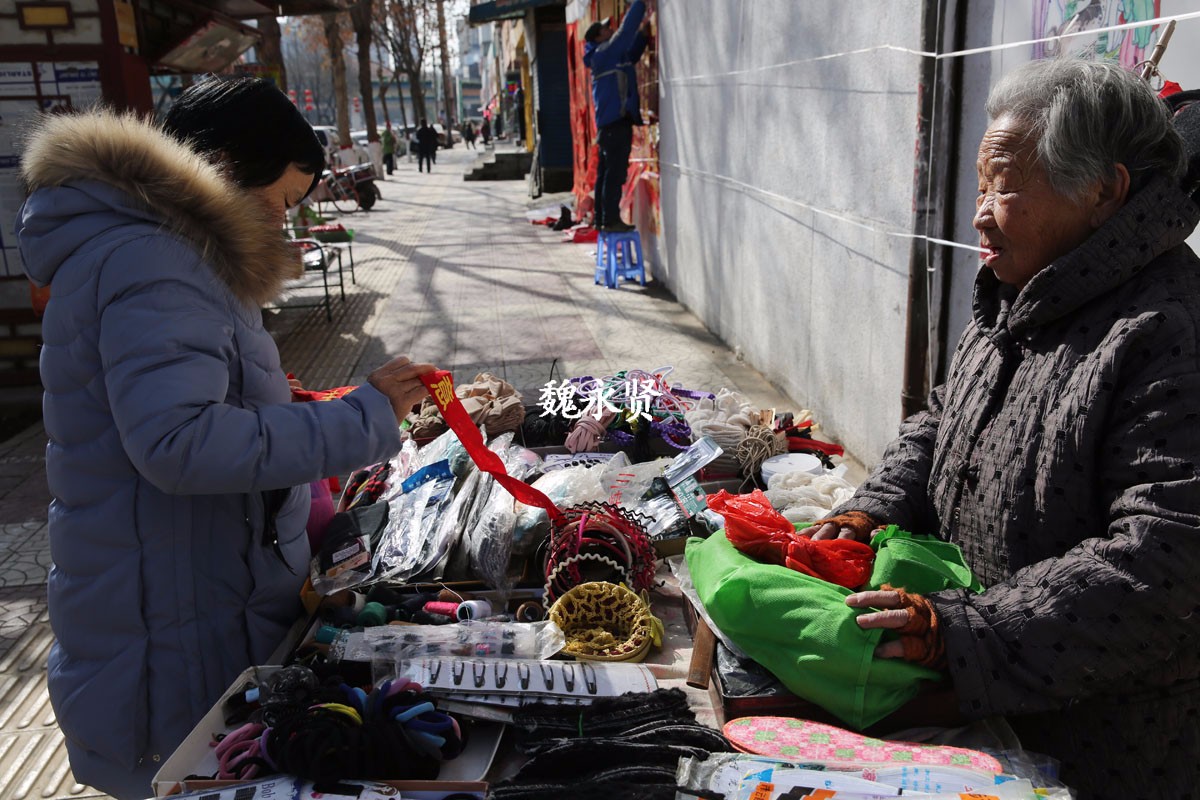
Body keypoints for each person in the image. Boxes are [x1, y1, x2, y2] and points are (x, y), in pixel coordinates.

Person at [15, 77, 438, 799]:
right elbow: (180, 442)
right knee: (195, 777)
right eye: (277, 201)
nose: (282, 222)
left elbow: (182, 405)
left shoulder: (158, 250)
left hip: (187, 595)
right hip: (174, 632)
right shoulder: (156, 260)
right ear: (219, 168)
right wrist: (361, 416)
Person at [809, 60, 1199, 799]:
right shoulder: (1022, 290)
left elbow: (1166, 558)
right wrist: (875, 508)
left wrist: (966, 634)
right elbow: (945, 416)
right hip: (992, 709)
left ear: (1103, 192)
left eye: (1005, 187)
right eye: (982, 186)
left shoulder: (1167, 329)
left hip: (1106, 750)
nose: (981, 212)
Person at [583, 2, 650, 233]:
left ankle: (602, 219)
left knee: (606, 174)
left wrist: (642, 37)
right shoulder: (604, 52)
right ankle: (610, 220)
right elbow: (624, 34)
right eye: (606, 29)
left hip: (609, 126)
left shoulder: (606, 57)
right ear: (599, 37)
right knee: (614, 174)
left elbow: (629, 56)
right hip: (614, 125)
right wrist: (641, 4)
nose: (610, 30)